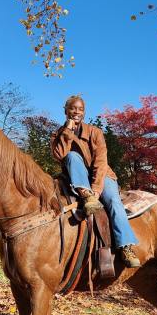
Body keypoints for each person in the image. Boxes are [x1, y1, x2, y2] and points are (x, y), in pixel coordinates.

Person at [51, 94, 140, 268]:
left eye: (80, 109)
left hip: (102, 175)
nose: (76, 112)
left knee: (113, 201)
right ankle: (85, 195)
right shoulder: (58, 134)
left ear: (84, 112)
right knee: (71, 156)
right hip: (76, 179)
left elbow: (100, 163)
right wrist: (67, 132)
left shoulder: (95, 132)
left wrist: (97, 191)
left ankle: (126, 246)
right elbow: (60, 155)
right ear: (65, 110)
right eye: (73, 108)